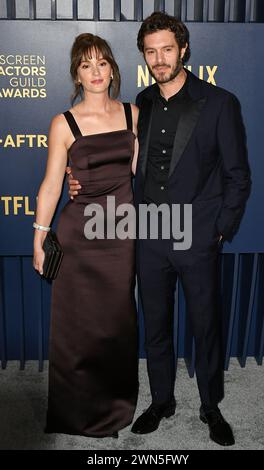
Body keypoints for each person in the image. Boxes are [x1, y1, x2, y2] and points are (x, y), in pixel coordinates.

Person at [69, 12, 251, 446]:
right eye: (151, 52)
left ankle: (211, 405)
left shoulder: (220, 102)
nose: (159, 58)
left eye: (167, 49)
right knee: (156, 325)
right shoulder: (142, 103)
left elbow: (238, 175)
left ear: (183, 49)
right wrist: (81, 181)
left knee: (206, 325)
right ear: (144, 57)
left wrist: (220, 229)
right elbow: (119, 159)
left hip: (198, 236)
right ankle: (162, 400)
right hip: (148, 234)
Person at [33, 33, 139, 438]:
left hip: (121, 233)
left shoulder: (133, 115)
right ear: (76, 74)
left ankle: (113, 406)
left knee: (116, 321)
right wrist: (39, 239)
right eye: (86, 65)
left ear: (113, 68)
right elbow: (51, 186)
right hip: (79, 235)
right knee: (77, 326)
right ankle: (74, 411)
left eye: (102, 63)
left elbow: (139, 173)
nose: (95, 72)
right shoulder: (64, 122)